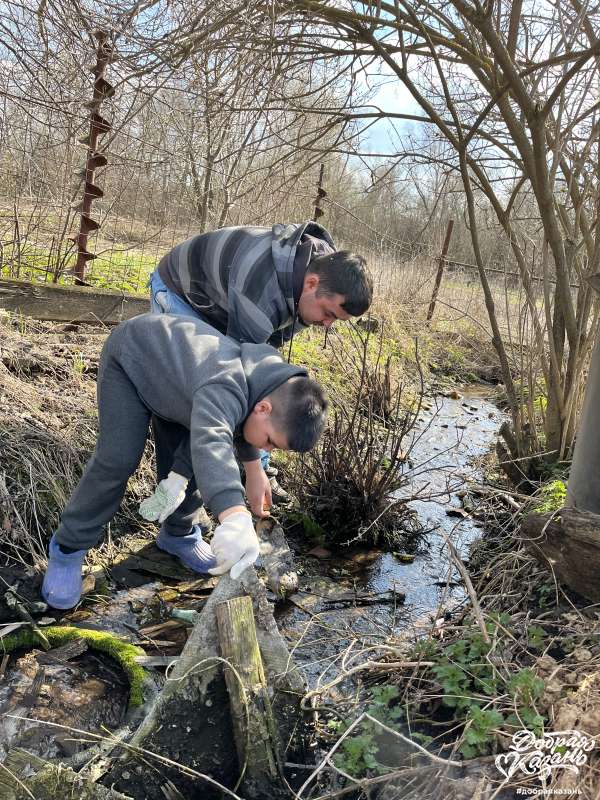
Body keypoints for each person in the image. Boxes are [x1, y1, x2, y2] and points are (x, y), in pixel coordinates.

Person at [41, 313, 327, 610]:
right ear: (264, 409)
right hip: (133, 361)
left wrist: (254, 470)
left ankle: (178, 535)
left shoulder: (271, 383)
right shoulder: (225, 383)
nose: (267, 448)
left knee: (188, 465)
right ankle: (68, 549)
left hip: (180, 388)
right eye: (270, 442)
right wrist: (235, 516)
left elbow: (238, 421)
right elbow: (212, 443)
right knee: (118, 459)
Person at [148, 221, 372, 503]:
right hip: (183, 293)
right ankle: (180, 505)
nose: (327, 325)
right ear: (311, 283)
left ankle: (250, 473)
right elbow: (238, 378)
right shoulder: (262, 292)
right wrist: (253, 467)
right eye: (328, 314)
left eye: (336, 320)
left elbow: (262, 370)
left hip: (226, 305)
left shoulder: (324, 274)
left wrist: (256, 466)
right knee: (196, 400)